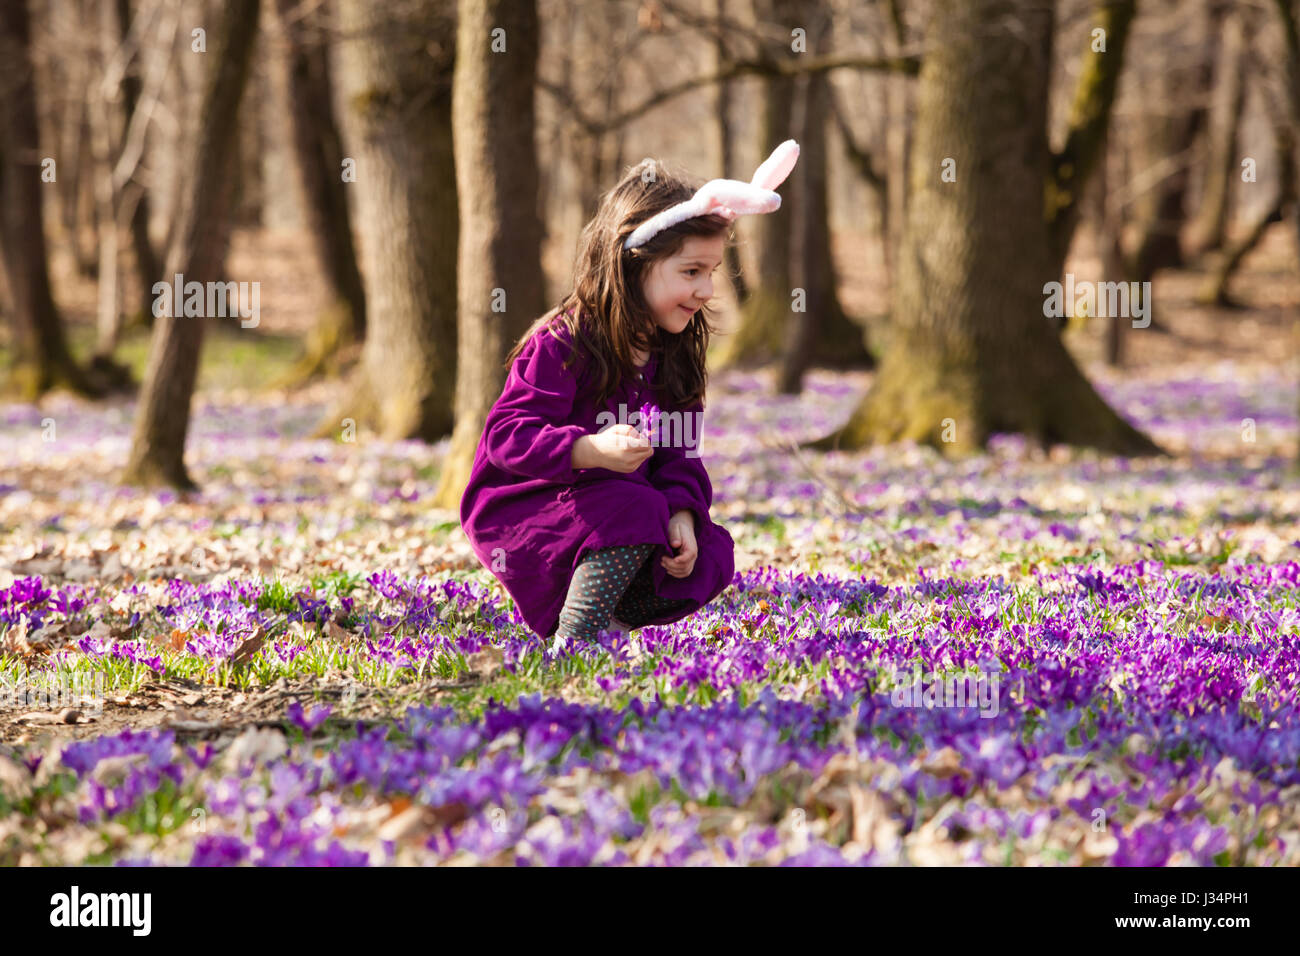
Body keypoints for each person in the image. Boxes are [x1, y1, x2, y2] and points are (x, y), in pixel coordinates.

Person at [459, 141, 800, 651]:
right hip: (527, 504)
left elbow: (681, 453)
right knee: (636, 506)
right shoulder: (563, 342)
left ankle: (610, 623)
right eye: (691, 272)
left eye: (711, 272)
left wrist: (683, 511)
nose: (707, 290)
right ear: (632, 265)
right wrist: (588, 450)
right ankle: (575, 641)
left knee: (710, 552)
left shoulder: (677, 353)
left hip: (618, 511)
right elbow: (508, 437)